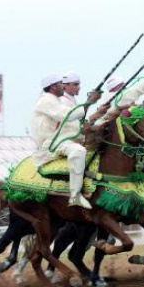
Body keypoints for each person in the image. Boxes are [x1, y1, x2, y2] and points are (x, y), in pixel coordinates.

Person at [31, 74, 101, 209]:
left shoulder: (55, 100)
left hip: (59, 139)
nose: (63, 86)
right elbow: (68, 116)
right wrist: (89, 102)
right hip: (52, 143)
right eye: (60, 84)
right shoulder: (46, 100)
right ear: (52, 87)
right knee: (78, 151)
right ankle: (75, 195)